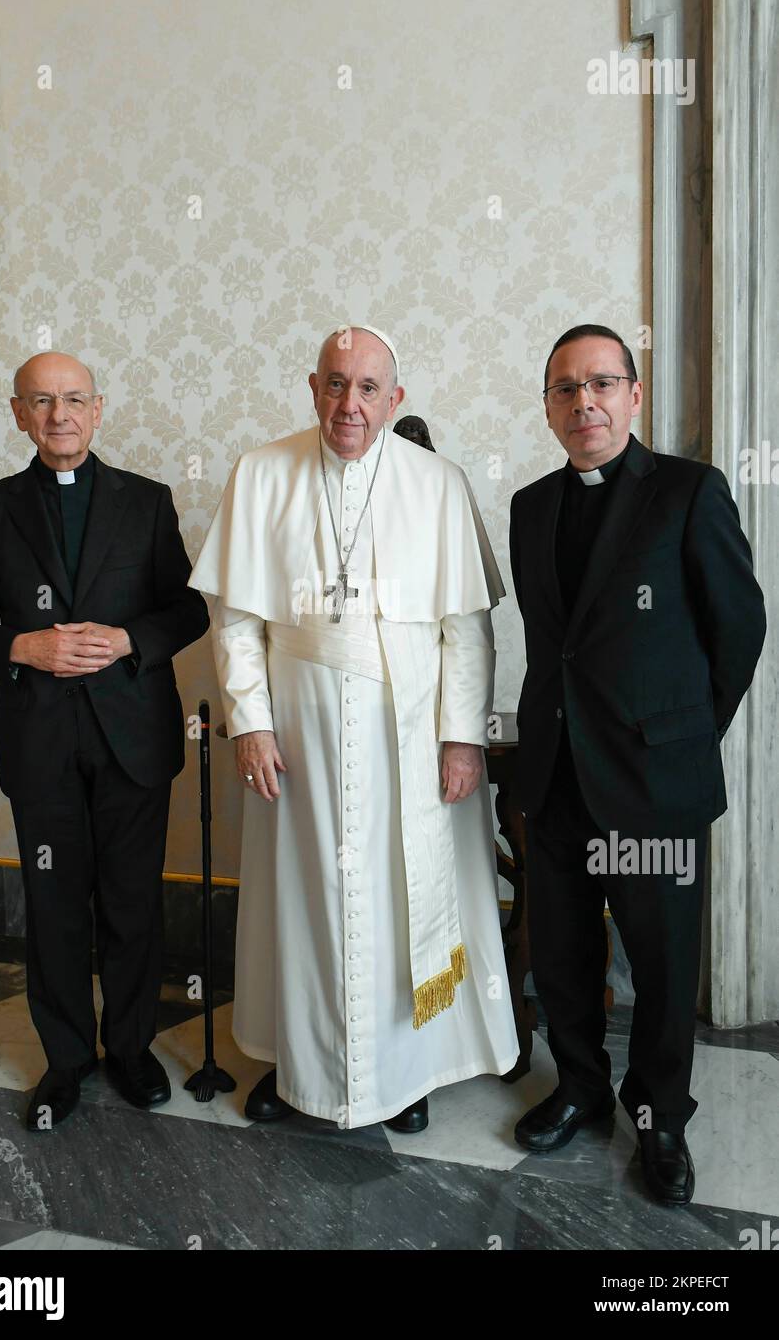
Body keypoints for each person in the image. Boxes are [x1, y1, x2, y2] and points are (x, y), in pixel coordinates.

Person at [189, 324, 519, 1132]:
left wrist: (462, 736)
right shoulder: (261, 472)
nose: (350, 403)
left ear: (395, 398)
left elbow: (465, 626)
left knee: (398, 898)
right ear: (312, 387)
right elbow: (234, 622)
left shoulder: (437, 483)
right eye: (336, 384)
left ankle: (401, 1076)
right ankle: (296, 1064)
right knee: (300, 897)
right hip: (295, 738)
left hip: (406, 738)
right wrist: (251, 725)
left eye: (369, 388)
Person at [508, 323, 765, 1204]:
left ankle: (660, 1119)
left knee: (659, 965)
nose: (585, 402)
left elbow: (740, 628)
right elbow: (557, 649)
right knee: (565, 955)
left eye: (603, 383)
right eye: (566, 389)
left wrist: (686, 734)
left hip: (654, 784)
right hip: (557, 780)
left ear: (634, 395)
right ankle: (578, 1087)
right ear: (548, 406)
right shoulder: (530, 507)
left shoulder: (690, 492)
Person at [0, 352, 209, 1130]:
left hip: (133, 737)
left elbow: (187, 611)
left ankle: (128, 1048)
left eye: (73, 400)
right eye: (41, 402)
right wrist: (21, 648)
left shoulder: (149, 502)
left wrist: (129, 639)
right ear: (19, 416)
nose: (59, 415)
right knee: (55, 905)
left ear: (98, 409)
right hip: (41, 745)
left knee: (132, 904)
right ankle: (66, 1061)